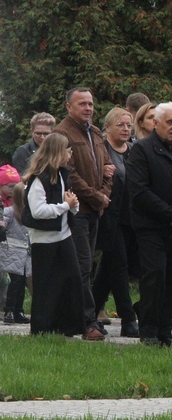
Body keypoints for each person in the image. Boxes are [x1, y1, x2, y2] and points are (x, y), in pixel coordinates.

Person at [53, 87, 113, 341]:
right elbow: (70, 175)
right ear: (69, 107)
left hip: (95, 209)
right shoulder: (62, 134)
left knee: (86, 265)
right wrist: (97, 195)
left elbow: (109, 167)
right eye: (82, 104)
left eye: (90, 103)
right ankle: (87, 321)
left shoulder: (96, 132)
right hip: (77, 209)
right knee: (82, 266)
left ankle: (77, 319)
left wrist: (104, 192)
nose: (88, 108)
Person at [127, 102, 172, 346]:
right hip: (151, 225)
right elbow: (139, 190)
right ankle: (149, 331)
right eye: (170, 122)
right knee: (154, 276)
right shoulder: (142, 150)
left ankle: (165, 331)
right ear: (156, 123)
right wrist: (170, 215)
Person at [21, 133, 85, 336]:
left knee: (71, 280)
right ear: (58, 152)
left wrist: (72, 206)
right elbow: (38, 211)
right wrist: (65, 205)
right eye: (68, 150)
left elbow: (69, 204)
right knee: (46, 285)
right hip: (44, 240)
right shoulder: (39, 179)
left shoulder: (63, 174)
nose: (70, 154)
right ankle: (42, 328)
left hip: (63, 236)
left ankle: (67, 326)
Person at [91, 108, 139, 338]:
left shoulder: (134, 151)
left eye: (129, 125)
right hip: (110, 218)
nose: (126, 129)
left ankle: (89, 313)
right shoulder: (102, 151)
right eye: (120, 124)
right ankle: (128, 319)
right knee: (118, 265)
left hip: (133, 218)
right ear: (107, 127)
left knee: (108, 269)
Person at [1, 167, 31, 324]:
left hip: (23, 253)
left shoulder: (27, 214)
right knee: (15, 283)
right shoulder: (10, 212)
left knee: (20, 285)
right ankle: (9, 310)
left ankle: (18, 310)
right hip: (12, 252)